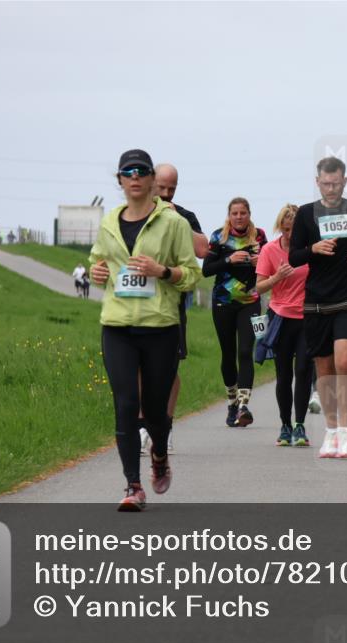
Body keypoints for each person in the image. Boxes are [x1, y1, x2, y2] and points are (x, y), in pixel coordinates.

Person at [88, 149, 200, 511]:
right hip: (117, 325)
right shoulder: (108, 221)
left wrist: (162, 271)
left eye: (141, 172)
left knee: (154, 410)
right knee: (125, 405)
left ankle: (160, 455)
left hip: (159, 326)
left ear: (153, 180)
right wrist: (97, 272)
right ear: (120, 180)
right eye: (127, 172)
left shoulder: (173, 223)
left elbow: (192, 274)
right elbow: (97, 260)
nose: (135, 178)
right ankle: (132, 486)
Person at [289, 156, 347, 459]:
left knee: (345, 362)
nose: (331, 189)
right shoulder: (305, 214)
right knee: (324, 369)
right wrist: (313, 249)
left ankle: (345, 430)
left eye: (336, 183)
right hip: (316, 301)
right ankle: (329, 433)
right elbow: (293, 257)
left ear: (345, 181)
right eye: (325, 184)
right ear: (317, 182)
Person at [138, 163, 208, 454]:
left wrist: (177, 219)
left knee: (168, 366)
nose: (166, 194)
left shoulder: (183, 215)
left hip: (172, 301)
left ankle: (163, 426)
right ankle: (143, 425)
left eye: (172, 189)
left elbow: (203, 250)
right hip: (139, 300)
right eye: (161, 188)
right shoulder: (136, 213)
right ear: (152, 183)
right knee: (139, 365)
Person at [202, 197, 268, 427]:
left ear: (249, 214)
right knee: (228, 355)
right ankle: (231, 402)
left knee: (245, 352)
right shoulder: (218, 237)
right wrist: (229, 259)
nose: (239, 217)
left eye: (243, 213)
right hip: (223, 302)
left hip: (251, 301)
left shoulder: (259, 236)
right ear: (229, 215)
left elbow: (267, 267)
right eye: (235, 213)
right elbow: (206, 270)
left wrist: (260, 262)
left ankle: (243, 406)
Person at [256, 204, 312, 447]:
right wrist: (277, 277)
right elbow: (258, 287)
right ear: (280, 227)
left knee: (303, 371)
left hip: (307, 318)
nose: (291, 234)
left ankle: (300, 425)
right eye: (287, 229)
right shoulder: (269, 250)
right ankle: (285, 425)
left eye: (295, 229)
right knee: (283, 374)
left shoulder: (311, 250)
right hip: (280, 317)